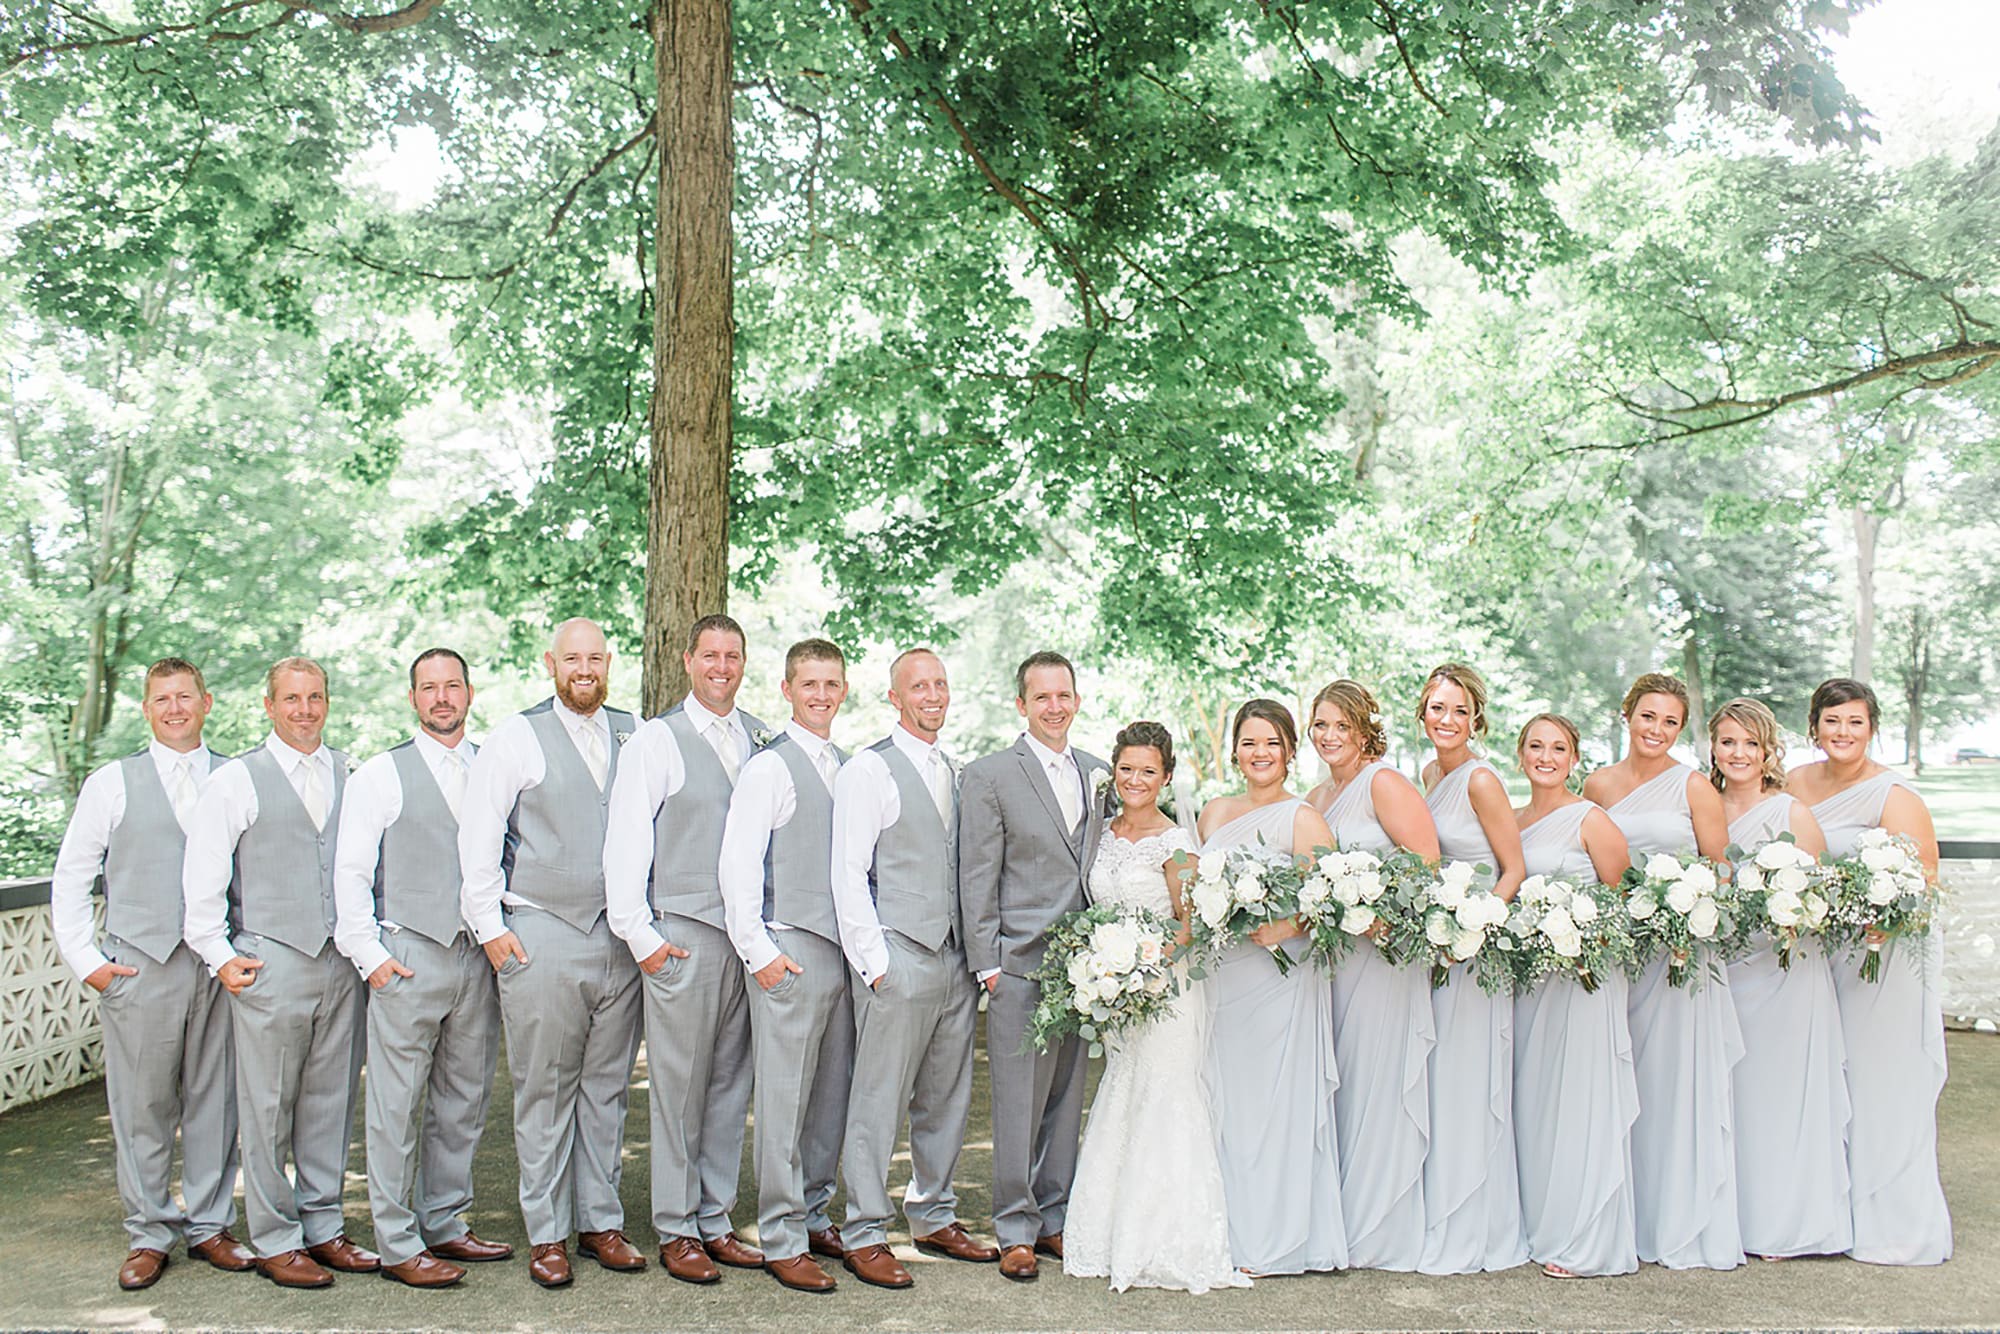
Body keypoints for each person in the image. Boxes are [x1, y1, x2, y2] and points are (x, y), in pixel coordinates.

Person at [52, 658, 254, 1291]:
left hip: (218, 968)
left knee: (216, 1101)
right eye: (162, 699)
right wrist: (91, 965)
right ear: (146, 709)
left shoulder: (238, 775)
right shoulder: (112, 783)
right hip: (140, 967)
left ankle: (211, 1226)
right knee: (142, 1107)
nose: (175, 708)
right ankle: (149, 1231)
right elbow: (71, 877)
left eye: (185, 697)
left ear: (207, 702)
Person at [458, 618, 644, 1288]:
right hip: (539, 933)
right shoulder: (515, 737)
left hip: (619, 941)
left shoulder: (637, 732)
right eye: (573, 658)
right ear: (552, 663)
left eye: (595, 657)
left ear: (608, 662)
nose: (584, 668)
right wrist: (493, 932)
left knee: (606, 1088)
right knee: (544, 1089)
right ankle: (547, 1233)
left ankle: (600, 1222)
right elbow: (478, 841)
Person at [183, 657, 375, 1288]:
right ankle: (274, 1239)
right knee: (267, 1108)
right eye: (291, 699)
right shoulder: (239, 779)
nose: (304, 710)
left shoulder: (352, 772)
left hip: (339, 965)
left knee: (330, 1102)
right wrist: (220, 953)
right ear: (268, 705)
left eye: (315, 697)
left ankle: (324, 1228)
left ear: (328, 701)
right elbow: (203, 878)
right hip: (271, 961)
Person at [333, 648, 511, 1290]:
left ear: (470, 691)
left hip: (477, 958)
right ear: (414, 698)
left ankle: (446, 1222)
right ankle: (397, 1240)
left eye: (452, 686)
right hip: (407, 956)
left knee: (463, 1100)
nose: (442, 697)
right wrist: (374, 961)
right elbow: (350, 876)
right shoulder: (380, 774)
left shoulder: (495, 765)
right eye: (429, 688)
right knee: (395, 1105)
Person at [604, 615, 767, 1283]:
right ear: (687, 660)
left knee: (731, 1083)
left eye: (732, 656)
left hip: (748, 940)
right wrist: (642, 938)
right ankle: (676, 1227)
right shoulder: (655, 741)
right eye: (710, 655)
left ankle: (715, 1217)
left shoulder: (761, 738)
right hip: (682, 936)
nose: (721, 667)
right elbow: (626, 841)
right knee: (679, 1087)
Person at [832, 648, 999, 1288]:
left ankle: (933, 1213)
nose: (932, 695)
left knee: (946, 1098)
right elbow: (847, 872)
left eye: (940, 684)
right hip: (898, 955)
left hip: (954, 960)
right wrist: (875, 965)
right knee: (877, 1100)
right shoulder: (869, 770)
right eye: (918, 686)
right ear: (894, 698)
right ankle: (864, 1230)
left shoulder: (956, 772)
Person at [1065, 722, 1247, 1293]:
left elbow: (1190, 925)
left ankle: (1168, 1239)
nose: (1135, 780)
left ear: (1166, 778)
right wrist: (1105, 972)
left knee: (1164, 1099)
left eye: (1148, 771)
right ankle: (1107, 1231)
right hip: (1116, 992)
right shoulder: (1103, 833)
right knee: (1122, 1095)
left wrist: (1141, 967)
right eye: (1126, 769)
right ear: (1113, 772)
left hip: (1164, 993)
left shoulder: (1175, 843)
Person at [1787, 678, 1952, 1266]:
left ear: (1871, 728)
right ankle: (1820, 1213)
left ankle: (1890, 1220)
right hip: (1817, 953)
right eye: (1832, 722)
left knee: (1876, 1082)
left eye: (1855, 722)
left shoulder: (1894, 794)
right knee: (1822, 1081)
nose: (1843, 733)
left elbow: (1924, 880)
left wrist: (1887, 921)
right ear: (1814, 727)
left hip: (1880, 960)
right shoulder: (1794, 783)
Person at [1583, 671, 1743, 1271]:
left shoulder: (1695, 786)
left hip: (1679, 958)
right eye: (1648, 716)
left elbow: (1720, 870)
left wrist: (1689, 911)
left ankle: (1677, 1221)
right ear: (1628, 715)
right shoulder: (1597, 783)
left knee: (1673, 1086)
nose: (1657, 729)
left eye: (1671, 721)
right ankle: (1621, 1216)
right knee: (1622, 1083)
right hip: (1619, 952)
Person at [958, 651, 1108, 1281]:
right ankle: (1014, 1227)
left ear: (1076, 699)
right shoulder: (990, 775)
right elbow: (976, 873)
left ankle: (1054, 1218)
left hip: (1089, 970)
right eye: (1041, 697)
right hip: (1019, 964)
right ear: (1022, 704)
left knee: (1066, 1100)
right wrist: (988, 964)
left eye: (1064, 695)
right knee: (1017, 1104)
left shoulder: (1101, 773)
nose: (1055, 707)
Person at [717, 638, 855, 1293]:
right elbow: (737, 867)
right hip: (790, 951)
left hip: (842, 956)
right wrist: (761, 955)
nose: (821, 694)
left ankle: (814, 1212)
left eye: (831, 683)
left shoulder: (852, 766)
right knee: (783, 1101)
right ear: (787, 689)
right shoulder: (769, 768)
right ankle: (779, 1235)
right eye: (809, 684)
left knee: (830, 1098)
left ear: (845, 689)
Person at [1198, 699, 1346, 1276]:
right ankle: (1228, 1231)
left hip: (1279, 978)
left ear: (1289, 750)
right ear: (1235, 750)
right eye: (1250, 742)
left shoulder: (1302, 817)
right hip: (1223, 978)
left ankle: (1275, 1239)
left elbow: (1329, 898)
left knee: (1272, 1105)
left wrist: (1282, 927)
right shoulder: (1213, 813)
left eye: (1272, 743)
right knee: (1226, 1101)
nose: (1261, 753)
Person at [1303, 679, 1438, 1272]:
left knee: (1378, 1080)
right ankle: (1344, 1219)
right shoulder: (1317, 794)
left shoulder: (1383, 782)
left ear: (1364, 731)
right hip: (1334, 961)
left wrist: (1374, 915)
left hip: (1382, 957)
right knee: (1345, 1083)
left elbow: (1427, 864)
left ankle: (1380, 1227)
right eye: (1321, 725)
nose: (1329, 736)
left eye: (1341, 726)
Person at [1710, 698, 1850, 1261]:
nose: (1739, 753)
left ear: (1768, 751)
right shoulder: (1703, 807)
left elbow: (1822, 896)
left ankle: (1787, 1225)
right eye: (1727, 741)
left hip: (1786, 973)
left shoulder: (1790, 812)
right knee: (1734, 1093)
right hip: (1725, 969)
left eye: (1751, 743)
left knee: (1781, 1094)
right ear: (1713, 749)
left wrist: (1786, 914)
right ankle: (1733, 1219)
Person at [1511, 713, 1638, 1279]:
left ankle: (1588, 1239)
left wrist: (1583, 938)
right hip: (1532, 980)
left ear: (1573, 758)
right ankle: (1544, 1224)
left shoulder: (1592, 820)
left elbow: (1626, 902)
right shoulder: (1511, 822)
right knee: (1538, 1099)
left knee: (1581, 1098)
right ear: (1520, 755)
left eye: (1557, 747)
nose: (1546, 756)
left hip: (1587, 978)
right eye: (1535, 746)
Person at [1416, 664, 1529, 1274]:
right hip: (1434, 946)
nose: (1447, 720)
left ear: (1476, 718)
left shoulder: (1481, 780)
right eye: (1437, 708)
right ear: (1422, 712)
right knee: (1440, 1081)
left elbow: (1513, 869)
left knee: (1466, 1080)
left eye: (1459, 711)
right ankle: (1441, 1212)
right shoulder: (1431, 775)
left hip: (1473, 950)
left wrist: (1473, 928)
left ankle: (1477, 1226)